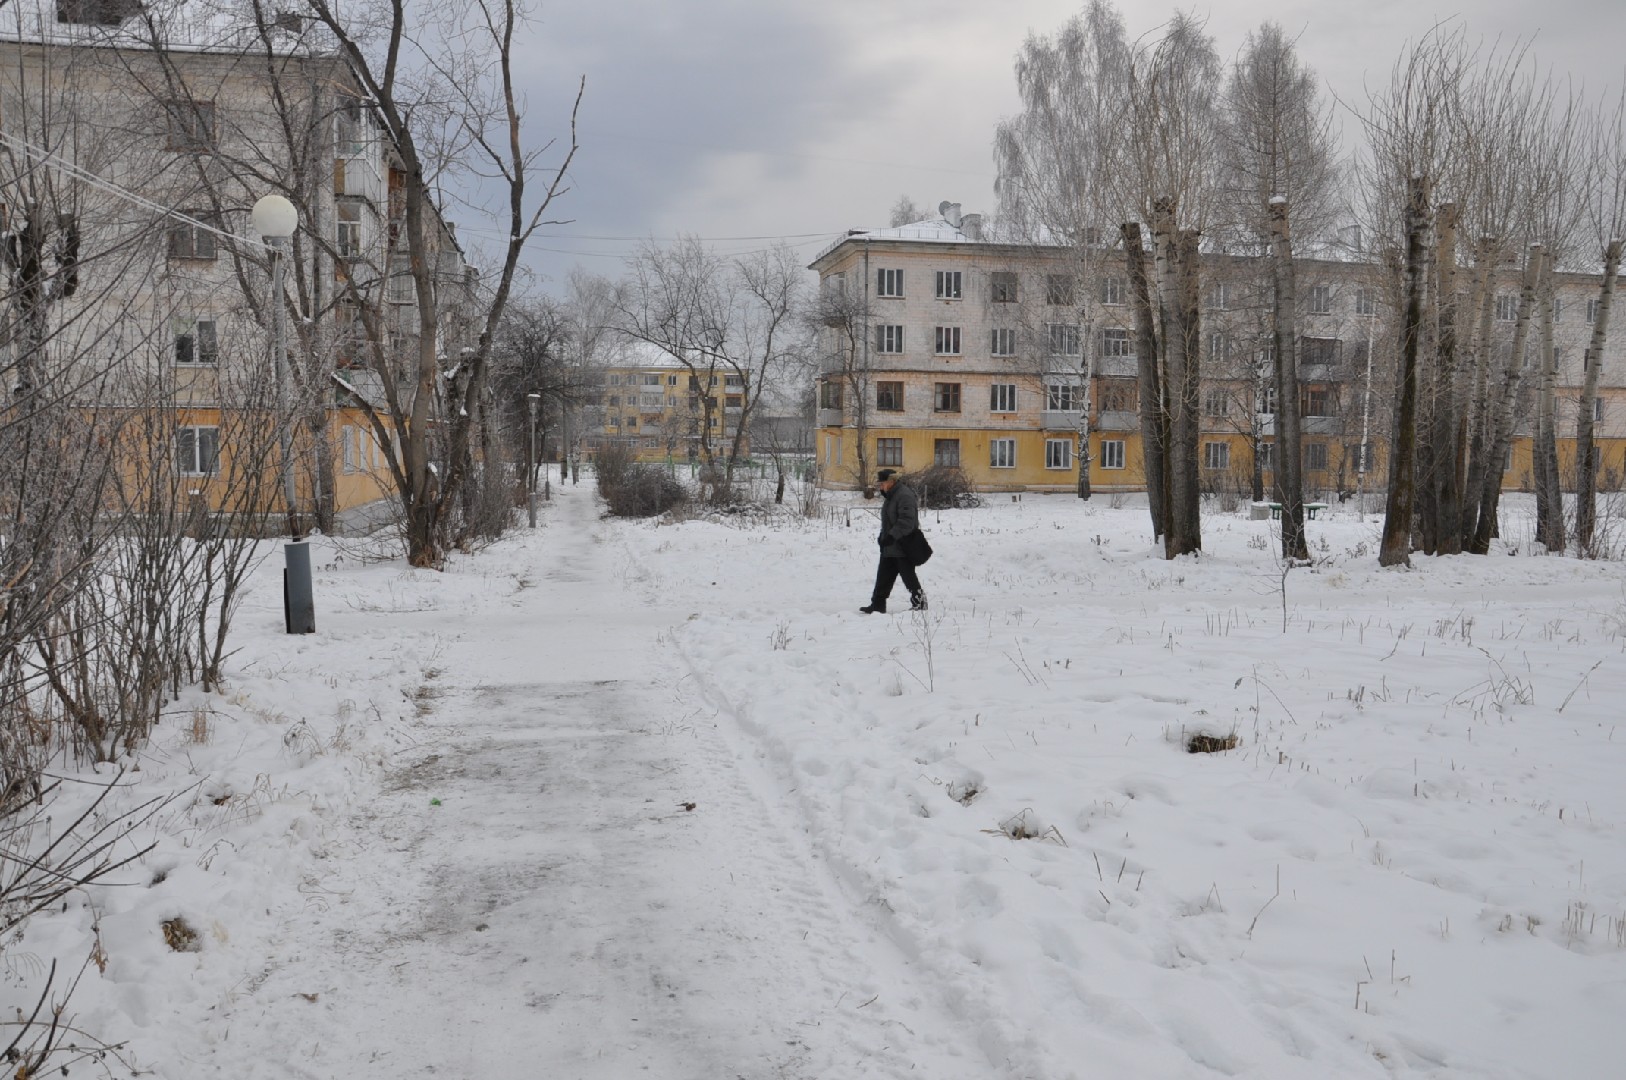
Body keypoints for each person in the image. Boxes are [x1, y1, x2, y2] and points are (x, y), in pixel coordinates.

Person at [860, 469, 927, 614]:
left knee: (908, 576)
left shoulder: (904, 495)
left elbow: (907, 521)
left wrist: (891, 536)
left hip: (903, 544)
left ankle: (920, 603)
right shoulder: (892, 496)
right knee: (883, 575)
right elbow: (889, 521)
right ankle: (877, 605)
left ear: (891, 481)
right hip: (890, 545)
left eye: (882, 483)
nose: (880, 486)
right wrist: (883, 536)